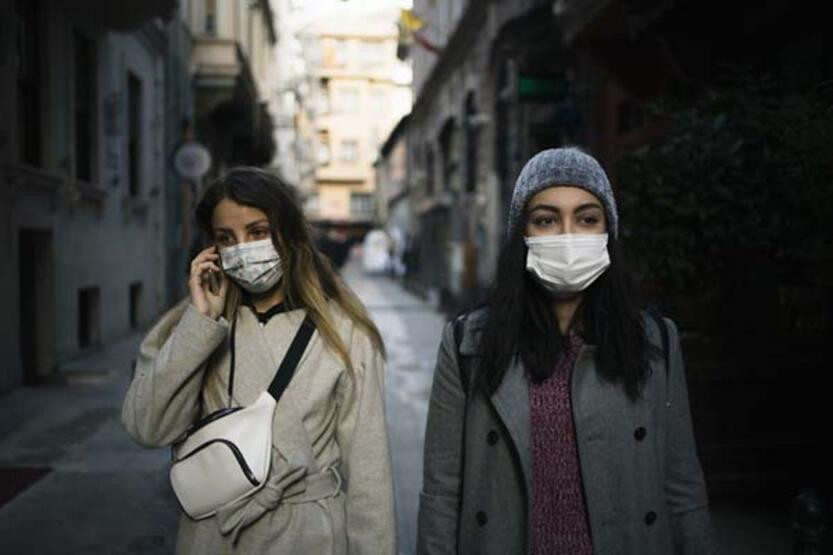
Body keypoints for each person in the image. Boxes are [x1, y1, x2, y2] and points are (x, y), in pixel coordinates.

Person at [417, 147, 717, 554]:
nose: (568, 236)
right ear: (522, 235)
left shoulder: (655, 341)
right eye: (546, 220)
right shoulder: (467, 344)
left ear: (609, 232)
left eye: (587, 218)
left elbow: (682, 489)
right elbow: (441, 494)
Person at [121, 167, 396, 554]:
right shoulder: (196, 326)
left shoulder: (346, 332)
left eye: (257, 232)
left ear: (288, 234)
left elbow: (369, 477)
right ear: (211, 250)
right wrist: (200, 324)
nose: (243, 248)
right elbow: (147, 427)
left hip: (310, 537)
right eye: (225, 238)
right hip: (215, 537)